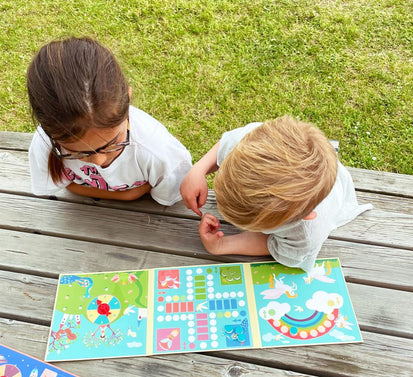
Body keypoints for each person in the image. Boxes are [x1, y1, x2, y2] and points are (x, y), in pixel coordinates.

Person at [180, 116, 372, 272]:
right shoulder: (253, 143)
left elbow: (276, 244)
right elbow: (225, 144)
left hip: (332, 193)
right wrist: (198, 170)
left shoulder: (305, 234)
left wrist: (222, 246)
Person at [27, 37, 192, 205]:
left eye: (112, 143)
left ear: (127, 98)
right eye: (78, 153)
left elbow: (170, 195)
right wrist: (128, 195)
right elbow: (64, 185)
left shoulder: (159, 152)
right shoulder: (45, 144)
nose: (99, 162)